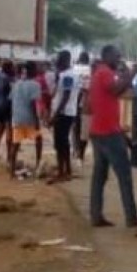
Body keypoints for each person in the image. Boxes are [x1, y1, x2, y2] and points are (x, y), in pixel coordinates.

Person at [88, 45, 137, 228]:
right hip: (108, 132)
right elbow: (116, 90)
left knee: (99, 176)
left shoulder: (99, 73)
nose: (119, 59)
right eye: (116, 56)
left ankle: (96, 215)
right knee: (124, 175)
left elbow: (122, 91)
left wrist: (126, 75)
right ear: (106, 55)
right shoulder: (104, 73)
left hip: (99, 130)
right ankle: (131, 217)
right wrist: (132, 73)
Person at [49, 51, 83, 180]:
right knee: (64, 142)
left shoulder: (67, 76)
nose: (56, 62)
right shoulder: (71, 75)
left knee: (60, 143)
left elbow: (66, 96)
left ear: (64, 60)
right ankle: (66, 169)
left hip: (64, 113)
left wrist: (55, 114)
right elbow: (78, 94)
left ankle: (62, 172)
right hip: (69, 111)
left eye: (58, 59)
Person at [10, 61, 46, 176]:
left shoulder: (17, 84)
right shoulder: (35, 85)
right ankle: (38, 163)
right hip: (29, 118)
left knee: (16, 144)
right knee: (39, 139)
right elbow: (32, 104)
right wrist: (36, 120)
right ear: (32, 71)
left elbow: (11, 99)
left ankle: (11, 171)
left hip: (17, 117)